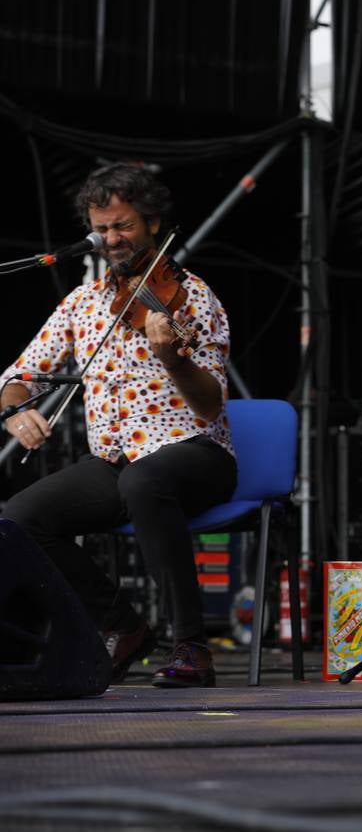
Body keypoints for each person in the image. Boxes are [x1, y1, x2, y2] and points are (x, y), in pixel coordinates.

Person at [1, 164, 237, 687]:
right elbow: (19, 376)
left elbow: (209, 403)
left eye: (123, 226)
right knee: (20, 518)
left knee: (144, 480)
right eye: (101, 228)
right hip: (114, 460)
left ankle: (192, 647)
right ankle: (123, 625)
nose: (111, 239)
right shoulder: (82, 304)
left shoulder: (193, 297)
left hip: (195, 452)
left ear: (153, 222)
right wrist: (19, 410)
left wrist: (174, 360)